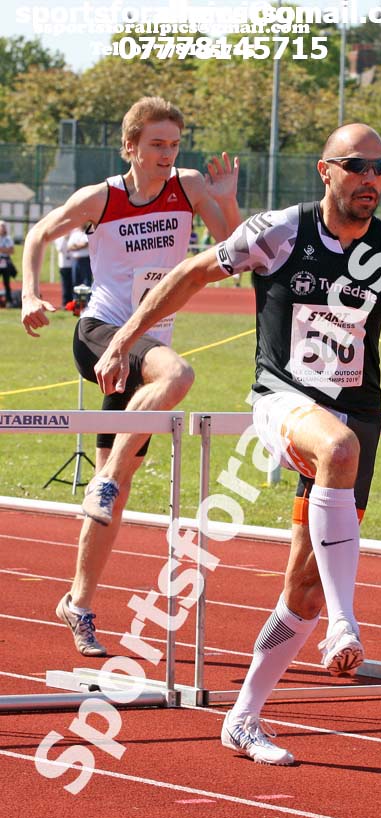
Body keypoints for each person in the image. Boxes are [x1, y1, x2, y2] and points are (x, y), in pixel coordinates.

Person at [92, 123, 381, 765]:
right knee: (335, 449)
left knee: (300, 587)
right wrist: (122, 338)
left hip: (356, 418)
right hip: (282, 401)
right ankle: (345, 623)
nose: (372, 178)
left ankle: (244, 717)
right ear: (325, 170)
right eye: (358, 165)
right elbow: (190, 274)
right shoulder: (278, 232)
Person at [21, 96, 241, 657]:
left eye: (173, 145)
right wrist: (28, 294)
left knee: (110, 503)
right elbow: (37, 234)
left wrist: (228, 202)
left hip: (146, 348)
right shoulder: (102, 196)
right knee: (179, 373)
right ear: (131, 147)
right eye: (156, 145)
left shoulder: (188, 187)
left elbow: (232, 254)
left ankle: (78, 603)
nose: (167, 155)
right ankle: (110, 474)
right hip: (101, 334)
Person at [54, 233, 74, 307]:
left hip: (73, 263)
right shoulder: (59, 238)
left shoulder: (73, 235)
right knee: (65, 285)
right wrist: (65, 238)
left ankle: (73, 303)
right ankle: (65, 303)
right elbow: (60, 248)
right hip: (64, 265)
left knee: (73, 284)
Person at [0, 220, 16, 307]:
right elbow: (8, 249)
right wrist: (5, 249)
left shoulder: (8, 238)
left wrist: (2, 249)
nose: (2, 228)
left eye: (3, 226)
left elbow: (12, 250)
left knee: (7, 282)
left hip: (5, 261)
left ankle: (8, 301)